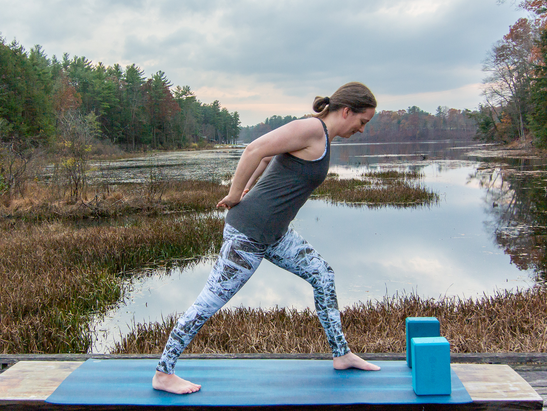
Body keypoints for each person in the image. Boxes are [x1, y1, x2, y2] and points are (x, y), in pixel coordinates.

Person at [152, 82, 380, 395]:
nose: (362, 129)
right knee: (209, 301)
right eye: (362, 121)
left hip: (275, 234)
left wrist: (250, 187)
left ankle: (341, 354)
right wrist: (235, 194)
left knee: (322, 274)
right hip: (248, 233)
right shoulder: (311, 129)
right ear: (346, 111)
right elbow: (253, 149)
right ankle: (163, 374)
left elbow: (264, 160)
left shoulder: (320, 137)